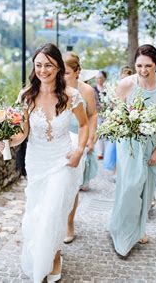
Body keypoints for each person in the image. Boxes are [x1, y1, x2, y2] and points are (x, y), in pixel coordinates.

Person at [0, 43, 89, 282]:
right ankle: (43, 256)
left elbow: (84, 125)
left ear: (58, 67)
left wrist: (80, 149)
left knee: (53, 212)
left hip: (62, 161)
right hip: (36, 162)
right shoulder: (26, 96)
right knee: (37, 213)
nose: (43, 70)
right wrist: (6, 141)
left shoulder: (71, 95)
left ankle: (55, 255)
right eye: (38, 65)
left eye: (48, 65)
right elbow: (23, 133)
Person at [109, 44, 156, 257]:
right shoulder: (125, 85)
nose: (143, 70)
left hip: (154, 144)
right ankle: (122, 232)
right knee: (130, 186)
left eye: (148, 66)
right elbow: (117, 116)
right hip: (129, 144)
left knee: (146, 190)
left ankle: (138, 229)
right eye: (139, 65)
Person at [63, 52, 98, 244]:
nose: (62, 77)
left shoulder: (86, 91)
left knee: (72, 185)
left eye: (66, 73)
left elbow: (92, 115)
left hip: (78, 138)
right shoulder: (55, 88)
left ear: (77, 72)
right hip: (59, 137)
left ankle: (69, 223)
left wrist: (90, 138)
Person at [103, 65, 134, 172]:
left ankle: (124, 171)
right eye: (123, 78)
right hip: (117, 120)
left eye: (127, 78)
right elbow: (112, 104)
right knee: (114, 148)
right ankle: (116, 171)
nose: (124, 80)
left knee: (125, 148)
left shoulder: (134, 89)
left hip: (129, 120)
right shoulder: (116, 88)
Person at [94, 70, 107, 160]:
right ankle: (100, 152)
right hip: (98, 114)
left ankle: (107, 151)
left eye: (100, 78)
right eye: (97, 78)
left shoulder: (108, 89)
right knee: (99, 133)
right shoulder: (93, 89)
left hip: (108, 114)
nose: (99, 80)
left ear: (104, 78)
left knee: (107, 133)